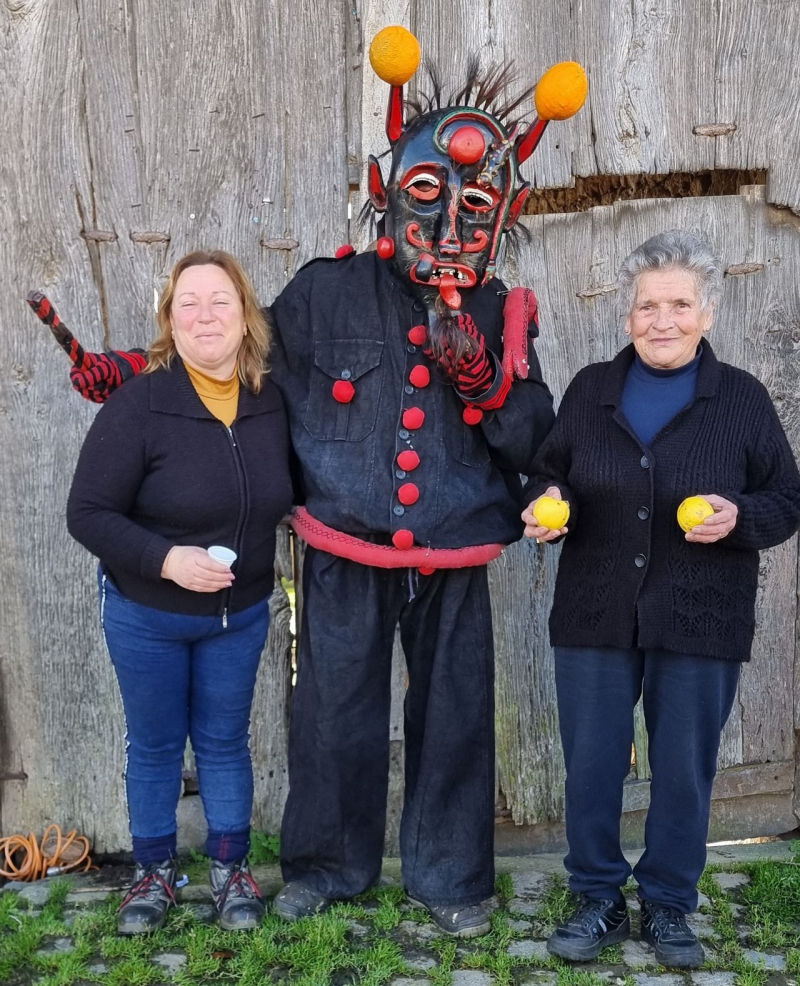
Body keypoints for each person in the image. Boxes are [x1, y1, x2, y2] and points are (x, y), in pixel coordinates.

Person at [39, 30, 587, 938]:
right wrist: (134, 370)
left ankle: (450, 880)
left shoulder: (506, 309)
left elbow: (540, 435)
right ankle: (329, 869)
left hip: (455, 550)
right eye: (425, 198)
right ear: (384, 195)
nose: (450, 228)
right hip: (341, 545)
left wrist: (486, 382)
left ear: (504, 214)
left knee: (454, 720)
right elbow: (241, 364)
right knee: (332, 714)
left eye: (476, 206)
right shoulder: (322, 293)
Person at [521, 230, 800, 968]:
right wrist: (548, 504)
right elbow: (550, 475)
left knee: (683, 763)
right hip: (595, 610)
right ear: (627, 317)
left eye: (679, 304)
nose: (662, 320)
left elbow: (786, 497)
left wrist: (742, 518)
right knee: (592, 760)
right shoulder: (590, 391)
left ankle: (671, 905)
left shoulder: (739, 398)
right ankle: (597, 897)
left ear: (707, 313)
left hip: (701, 613)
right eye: (648, 305)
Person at [66, 251, 294, 934]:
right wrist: (166, 560)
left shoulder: (269, 400)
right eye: (187, 302)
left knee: (226, 743)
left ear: (246, 315)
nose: (204, 315)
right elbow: (88, 513)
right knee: (157, 746)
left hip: (240, 613)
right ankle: (154, 876)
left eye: (220, 300)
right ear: (169, 318)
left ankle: (231, 872)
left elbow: (298, 487)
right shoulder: (141, 403)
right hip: (148, 615)